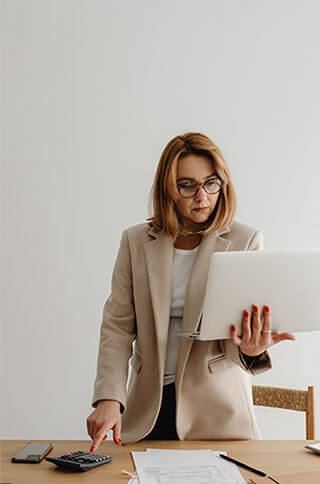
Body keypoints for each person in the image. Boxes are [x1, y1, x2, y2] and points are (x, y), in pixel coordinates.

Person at [87, 132, 295, 451]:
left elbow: (241, 331)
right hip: (148, 409)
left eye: (211, 183)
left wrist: (252, 350)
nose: (202, 197)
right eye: (187, 186)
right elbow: (116, 327)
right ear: (168, 189)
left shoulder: (245, 240)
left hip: (218, 414)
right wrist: (109, 397)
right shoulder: (136, 241)